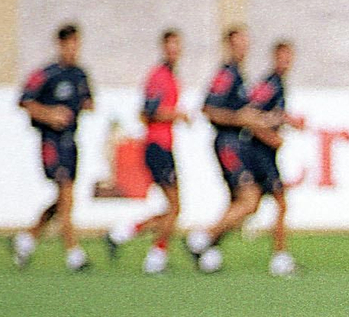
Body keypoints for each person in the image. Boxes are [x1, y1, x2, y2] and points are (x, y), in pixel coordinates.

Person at [187, 40, 304, 275]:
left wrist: (284, 120)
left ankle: (208, 246)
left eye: (289, 57)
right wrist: (270, 136)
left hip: (255, 150)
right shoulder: (268, 84)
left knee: (248, 205)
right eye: (282, 57)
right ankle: (206, 239)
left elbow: (262, 115)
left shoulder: (273, 82)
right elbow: (251, 115)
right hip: (258, 153)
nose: (286, 62)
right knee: (272, 202)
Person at [106, 29, 187, 274]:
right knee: (175, 207)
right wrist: (176, 114)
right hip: (156, 145)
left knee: (174, 208)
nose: (174, 50)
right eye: (170, 45)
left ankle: (122, 233)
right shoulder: (159, 76)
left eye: (177, 46)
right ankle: (155, 258)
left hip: (164, 145)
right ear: (163, 48)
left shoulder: (171, 75)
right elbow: (148, 111)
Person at [14, 23, 94, 271]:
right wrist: (50, 114)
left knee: (63, 198)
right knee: (67, 194)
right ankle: (74, 253)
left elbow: (88, 101)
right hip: (52, 142)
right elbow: (25, 101)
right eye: (70, 44)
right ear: (61, 44)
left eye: (77, 44)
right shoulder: (47, 73)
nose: (74, 49)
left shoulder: (80, 74)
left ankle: (27, 239)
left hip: (71, 142)